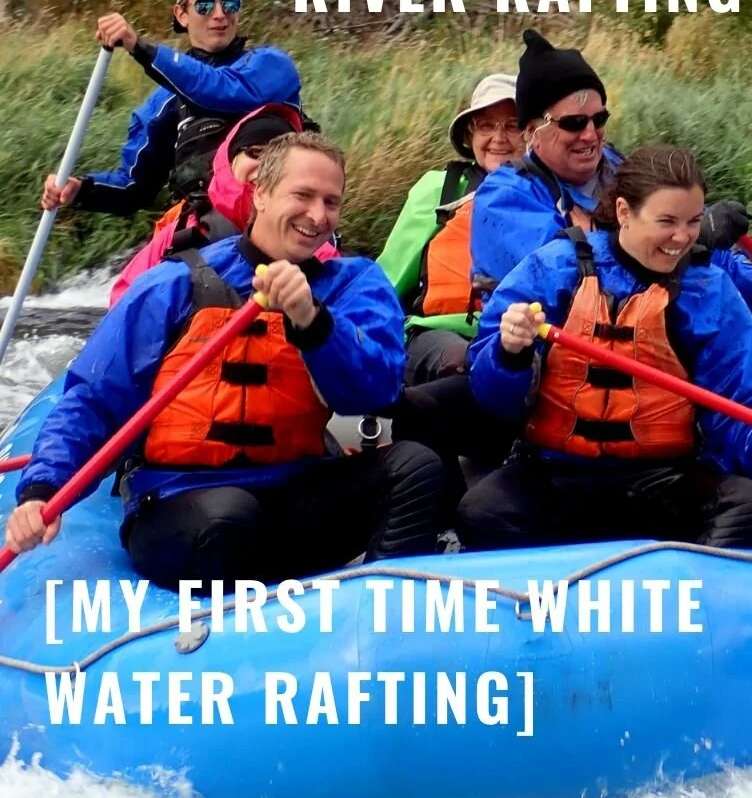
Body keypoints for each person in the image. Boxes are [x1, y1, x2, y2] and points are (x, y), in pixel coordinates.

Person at [9, 133, 445, 588]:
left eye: (331, 201)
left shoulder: (353, 285)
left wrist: (312, 322)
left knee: (414, 467)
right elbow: (95, 399)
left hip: (293, 495)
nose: (318, 216)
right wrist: (43, 489)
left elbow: (375, 390)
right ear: (260, 191)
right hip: (184, 502)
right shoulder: (175, 283)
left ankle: (378, 618)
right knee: (229, 519)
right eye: (303, 195)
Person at [458, 145, 752, 553]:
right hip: (555, 475)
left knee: (749, 507)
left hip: (661, 481)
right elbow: (491, 399)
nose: (683, 238)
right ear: (623, 212)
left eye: (693, 222)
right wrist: (509, 353)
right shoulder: (554, 269)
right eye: (667, 221)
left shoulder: (709, 291)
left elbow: (745, 408)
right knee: (479, 512)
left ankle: (692, 582)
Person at [470, 29, 752, 318]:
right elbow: (563, 272)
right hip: (550, 351)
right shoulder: (504, 198)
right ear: (531, 130)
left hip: (638, 331)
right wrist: (694, 234)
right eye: (573, 123)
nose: (590, 134)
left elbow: (689, 255)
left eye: (598, 119)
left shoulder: (616, 167)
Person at [40, 0, 301, 224]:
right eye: (205, 5)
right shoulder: (161, 104)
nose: (220, 14)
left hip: (277, 215)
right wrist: (81, 188)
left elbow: (220, 89)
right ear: (181, 14)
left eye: (229, 3)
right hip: (206, 227)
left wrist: (141, 48)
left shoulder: (271, 65)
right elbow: (135, 189)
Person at [108, 103, 338, 305]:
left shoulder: (314, 243)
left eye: (277, 161)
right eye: (255, 153)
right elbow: (124, 303)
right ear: (231, 159)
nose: (265, 168)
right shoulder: (183, 225)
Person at [378, 74, 524, 384]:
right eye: (486, 125)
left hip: (520, 336)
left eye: (512, 125)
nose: (499, 138)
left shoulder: (550, 196)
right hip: (439, 334)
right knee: (463, 363)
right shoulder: (438, 189)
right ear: (471, 135)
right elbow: (388, 281)